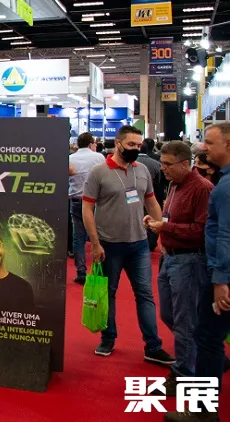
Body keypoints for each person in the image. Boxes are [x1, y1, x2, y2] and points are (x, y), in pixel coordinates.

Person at [82, 125, 174, 365]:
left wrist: (162, 233)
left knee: (145, 295)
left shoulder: (142, 170)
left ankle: (153, 346)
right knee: (108, 294)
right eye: (131, 144)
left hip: (139, 244)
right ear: (118, 143)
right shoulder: (98, 172)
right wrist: (95, 243)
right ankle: (108, 338)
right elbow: (87, 209)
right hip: (109, 245)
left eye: (138, 145)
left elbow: (151, 202)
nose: (136, 148)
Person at [164, 123, 230, 422]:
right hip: (197, 263)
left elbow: (222, 235)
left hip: (214, 271)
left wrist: (220, 279)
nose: (204, 147)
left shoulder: (219, 188)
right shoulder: (218, 183)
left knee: (205, 336)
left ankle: (202, 409)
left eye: (210, 142)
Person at [143, 142, 213, 394]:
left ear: (185, 163)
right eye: (162, 164)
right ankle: (202, 353)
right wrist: (160, 226)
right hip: (170, 257)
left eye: (168, 164)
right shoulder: (174, 184)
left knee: (185, 321)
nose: (163, 169)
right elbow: (172, 218)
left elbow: (203, 231)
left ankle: (183, 374)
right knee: (169, 314)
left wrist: (166, 228)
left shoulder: (202, 189)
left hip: (190, 260)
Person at [68, 133, 105, 285]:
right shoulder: (99, 158)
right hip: (96, 203)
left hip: (76, 200)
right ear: (91, 144)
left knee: (78, 238)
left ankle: (81, 272)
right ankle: (98, 271)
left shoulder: (70, 158)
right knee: (99, 237)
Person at [138, 139, 166, 252]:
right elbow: (161, 182)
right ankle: (151, 242)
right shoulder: (156, 162)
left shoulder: (131, 163)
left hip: (136, 198)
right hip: (154, 195)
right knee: (152, 218)